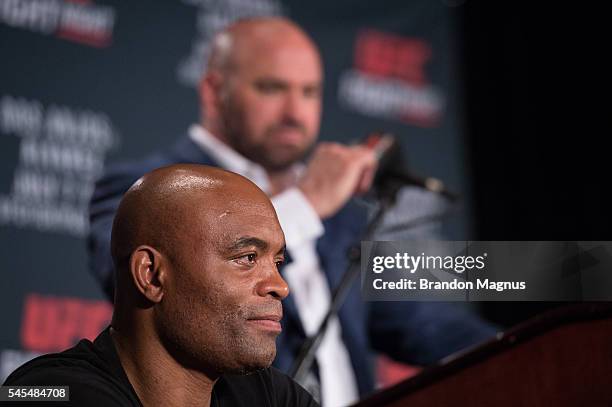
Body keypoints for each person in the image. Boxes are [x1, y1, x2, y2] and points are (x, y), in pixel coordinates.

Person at [88, 17, 497, 406]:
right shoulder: (146, 186)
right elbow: (140, 295)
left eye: (309, 92)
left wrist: (543, 344)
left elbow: (424, 325)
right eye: (271, 88)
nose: (294, 113)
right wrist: (306, 205)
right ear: (214, 91)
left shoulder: (340, 214)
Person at [4, 165, 317, 407]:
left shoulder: (265, 394)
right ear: (151, 275)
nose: (279, 286)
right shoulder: (47, 391)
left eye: (277, 262)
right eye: (246, 258)